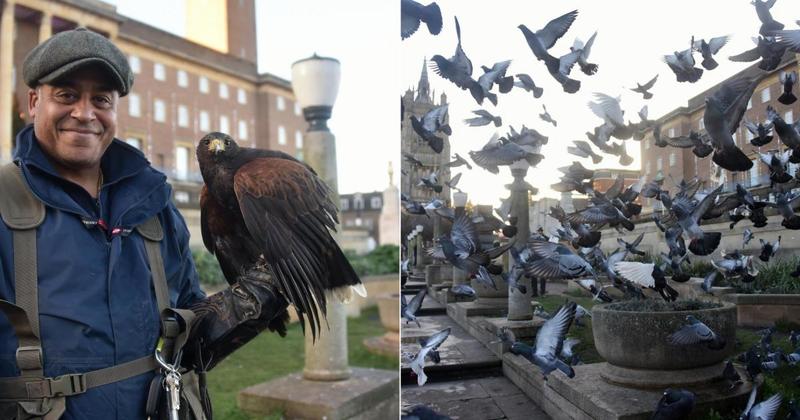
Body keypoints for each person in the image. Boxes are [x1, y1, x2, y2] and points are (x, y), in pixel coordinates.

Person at [0, 28, 287, 419]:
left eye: (101, 99)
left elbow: (188, 337)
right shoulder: (3, 204)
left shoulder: (155, 208)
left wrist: (263, 292)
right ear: (34, 102)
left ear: (115, 110)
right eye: (66, 95)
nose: (85, 113)